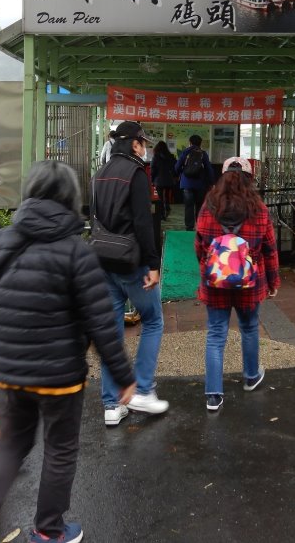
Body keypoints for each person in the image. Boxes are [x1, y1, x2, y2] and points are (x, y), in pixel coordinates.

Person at [0, 161, 135, 543]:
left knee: (12, 442)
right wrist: (123, 376)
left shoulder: (0, 242)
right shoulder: (77, 251)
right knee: (60, 449)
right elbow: (101, 321)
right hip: (59, 376)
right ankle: (49, 530)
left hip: (6, 371)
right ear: (71, 198)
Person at [91, 120, 169, 425]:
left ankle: (112, 404)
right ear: (135, 144)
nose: (145, 148)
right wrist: (153, 264)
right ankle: (143, 390)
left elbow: (94, 217)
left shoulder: (100, 173)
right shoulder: (136, 173)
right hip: (130, 262)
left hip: (102, 259)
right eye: (143, 143)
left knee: (111, 332)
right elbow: (142, 222)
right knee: (153, 320)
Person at [194, 157, 280, 412]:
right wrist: (273, 281)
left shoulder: (208, 206)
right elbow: (270, 249)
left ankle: (213, 395)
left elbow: (200, 245)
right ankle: (251, 377)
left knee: (216, 334)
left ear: (221, 177)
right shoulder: (259, 209)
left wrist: (210, 268)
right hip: (250, 283)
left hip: (215, 283)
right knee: (250, 328)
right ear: (250, 178)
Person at [175, 134, 215, 231]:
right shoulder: (203, 153)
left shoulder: (185, 152)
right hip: (200, 184)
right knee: (199, 206)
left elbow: (177, 166)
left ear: (190, 142)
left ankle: (189, 227)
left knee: (188, 206)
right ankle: (199, 226)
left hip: (187, 183)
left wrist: (180, 173)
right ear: (200, 143)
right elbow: (209, 169)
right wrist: (211, 182)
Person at [150, 140, 178, 220]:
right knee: (166, 196)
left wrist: (152, 180)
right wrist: (174, 177)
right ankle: (167, 207)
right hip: (169, 180)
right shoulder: (171, 157)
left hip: (158, 180)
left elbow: (153, 170)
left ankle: (162, 214)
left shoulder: (155, 157)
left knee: (160, 198)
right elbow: (175, 168)